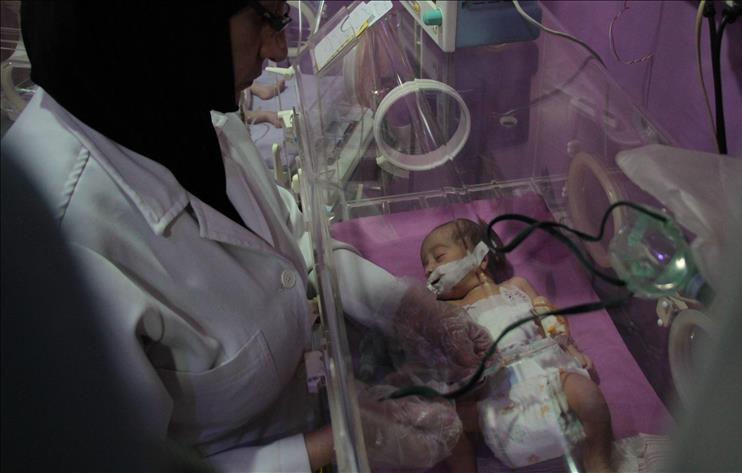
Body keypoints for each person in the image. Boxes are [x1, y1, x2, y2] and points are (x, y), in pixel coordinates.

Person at [3, 1, 490, 471]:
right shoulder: (55, 250)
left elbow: (289, 239)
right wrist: (331, 447)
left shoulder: (174, 96)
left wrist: (401, 305)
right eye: (268, 19)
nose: (278, 50)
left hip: (307, 398)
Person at [420, 219, 615, 472]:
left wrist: (571, 349)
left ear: (480, 258)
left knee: (588, 395)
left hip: (547, 380)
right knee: (446, 424)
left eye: (438, 257)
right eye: (425, 265)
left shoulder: (516, 287)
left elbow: (549, 320)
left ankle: (598, 460)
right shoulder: (448, 310)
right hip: (495, 401)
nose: (429, 269)